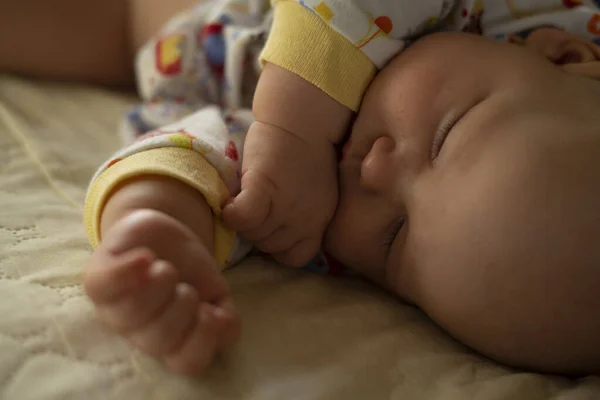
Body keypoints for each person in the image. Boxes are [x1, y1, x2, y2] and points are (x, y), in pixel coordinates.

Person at [3, 0, 600, 375]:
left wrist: (154, 230)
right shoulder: (508, 15)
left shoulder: (320, 210)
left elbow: (204, 158)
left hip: (138, 28)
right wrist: (295, 123)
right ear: (563, 53)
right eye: (446, 135)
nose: (371, 170)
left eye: (396, 237)